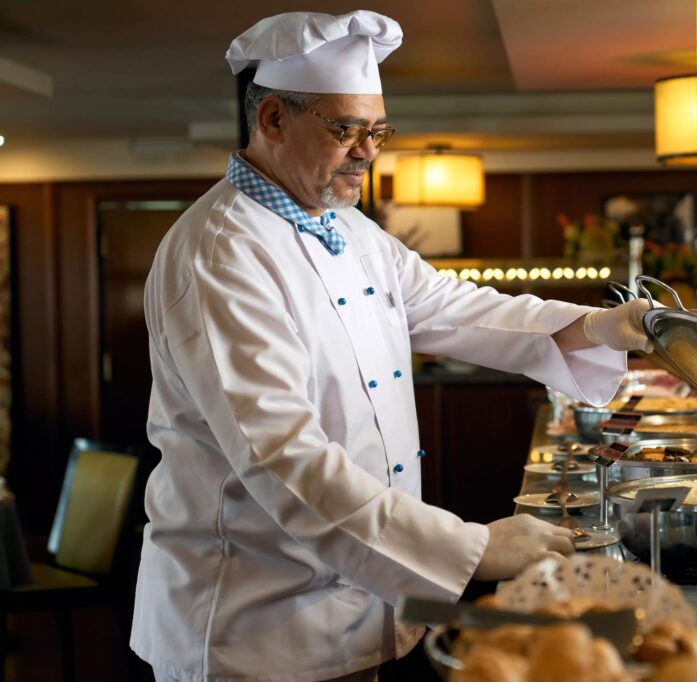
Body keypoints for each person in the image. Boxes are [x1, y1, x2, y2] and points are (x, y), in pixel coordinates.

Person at [130, 10, 653, 682]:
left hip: (358, 606)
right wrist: (471, 547)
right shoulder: (221, 252)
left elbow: (455, 307)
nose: (368, 152)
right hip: (254, 628)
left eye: (377, 131)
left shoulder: (350, 229)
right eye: (345, 129)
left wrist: (598, 325)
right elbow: (280, 455)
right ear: (272, 121)